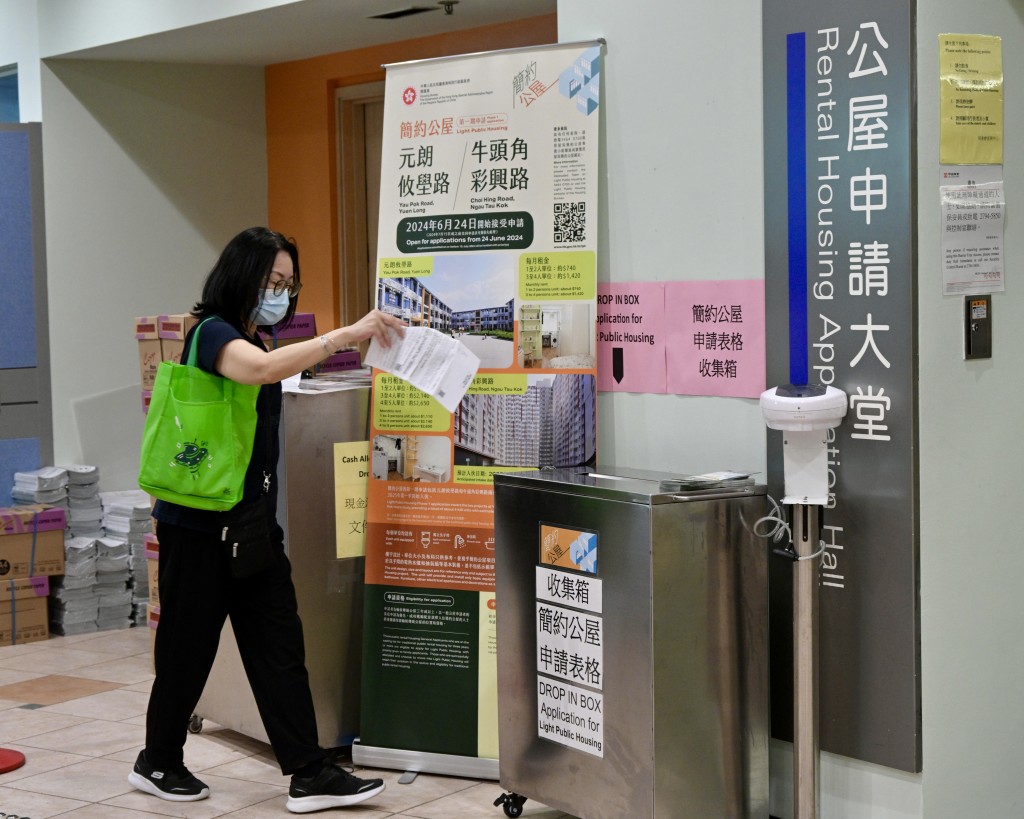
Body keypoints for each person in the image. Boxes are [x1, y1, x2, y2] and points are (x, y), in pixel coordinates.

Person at [129, 227, 405, 813]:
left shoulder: (258, 334)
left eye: (287, 283)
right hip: (199, 525)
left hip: (251, 523)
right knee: (187, 649)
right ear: (241, 277)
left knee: (279, 646)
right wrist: (344, 335)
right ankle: (157, 761)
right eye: (271, 281)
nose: (280, 293)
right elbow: (256, 370)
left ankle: (309, 772)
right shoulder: (212, 334)